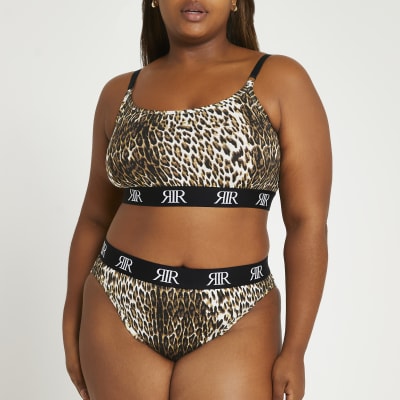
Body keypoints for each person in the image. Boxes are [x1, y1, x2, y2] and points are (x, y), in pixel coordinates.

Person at [62, 0, 332, 399]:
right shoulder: (119, 93)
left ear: (236, 1)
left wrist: (296, 348)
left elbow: (307, 222)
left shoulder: (279, 80)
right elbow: (95, 217)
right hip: (118, 301)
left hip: (239, 311)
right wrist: (71, 316)